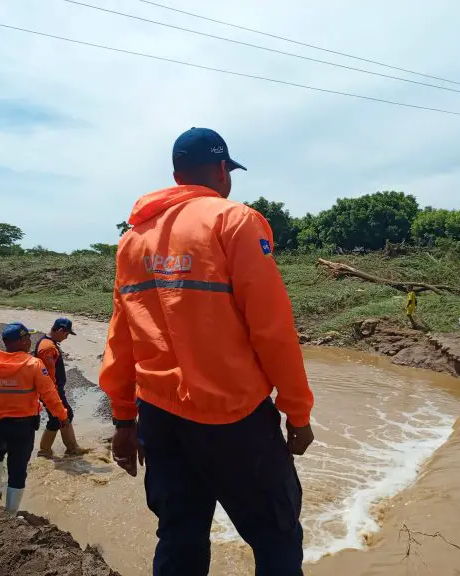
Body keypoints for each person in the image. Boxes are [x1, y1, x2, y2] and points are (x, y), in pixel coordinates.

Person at [99, 127, 315, 576]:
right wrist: (297, 413)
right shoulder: (234, 221)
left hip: (160, 417)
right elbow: (272, 331)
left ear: (177, 174)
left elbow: (121, 338)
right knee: (276, 536)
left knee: (179, 534)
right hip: (233, 415)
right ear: (222, 170)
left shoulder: (132, 239)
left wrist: (124, 420)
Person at [0, 322, 70, 515]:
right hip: (22, 426)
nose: (31, 341)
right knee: (17, 468)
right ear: (23, 341)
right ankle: (9, 514)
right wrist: (62, 416)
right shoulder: (33, 365)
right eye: (28, 338)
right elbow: (49, 394)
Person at [34, 317, 88, 457]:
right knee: (57, 418)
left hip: (52, 390)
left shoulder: (49, 343)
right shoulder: (47, 347)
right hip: (50, 391)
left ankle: (71, 447)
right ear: (59, 330)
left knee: (65, 415)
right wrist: (54, 394)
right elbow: (48, 376)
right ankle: (45, 451)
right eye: (66, 334)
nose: (66, 337)